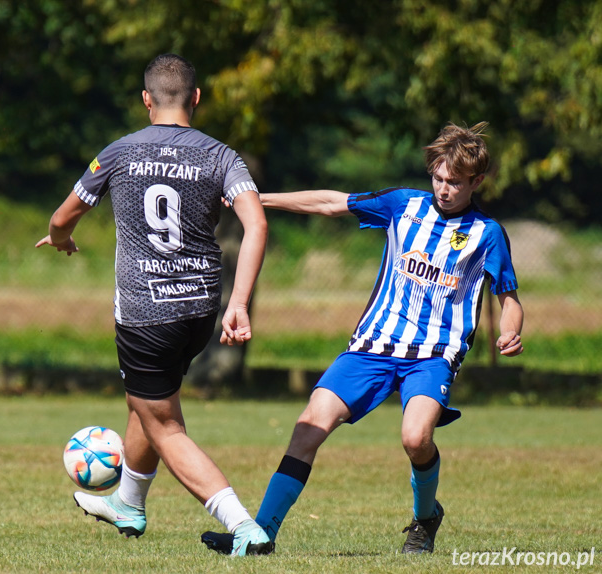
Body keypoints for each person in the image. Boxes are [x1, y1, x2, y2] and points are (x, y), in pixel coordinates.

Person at [201, 122, 524, 555]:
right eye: (439, 178)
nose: (444, 189)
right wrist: (256, 198)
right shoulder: (402, 206)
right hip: (372, 348)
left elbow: (510, 299)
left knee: (415, 439)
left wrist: (510, 330)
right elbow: (332, 203)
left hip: (432, 357)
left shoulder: (487, 234)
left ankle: (425, 518)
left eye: (456, 183)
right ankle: (259, 534)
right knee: (307, 427)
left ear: (477, 182)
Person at [35, 53, 272, 556]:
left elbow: (62, 217)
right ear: (197, 98)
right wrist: (241, 304)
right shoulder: (222, 156)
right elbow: (257, 224)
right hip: (200, 308)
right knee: (146, 400)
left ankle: (244, 526)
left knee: (164, 424)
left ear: (146, 99)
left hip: (145, 313)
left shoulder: (118, 153)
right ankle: (128, 504)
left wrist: (61, 239)